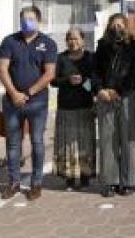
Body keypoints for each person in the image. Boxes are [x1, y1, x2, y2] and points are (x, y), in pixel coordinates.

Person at [0, 6, 57, 201]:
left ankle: (36, 183)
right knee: (13, 144)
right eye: (23, 18)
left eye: (31, 19)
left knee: (37, 142)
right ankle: (14, 182)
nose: (27, 22)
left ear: (39, 21)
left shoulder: (48, 43)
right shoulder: (10, 41)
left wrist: (28, 93)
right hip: (12, 101)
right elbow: (2, 69)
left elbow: (49, 73)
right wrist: (14, 93)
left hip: (37, 102)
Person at [93, 13, 135, 198]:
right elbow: (95, 71)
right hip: (105, 97)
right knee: (107, 140)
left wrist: (118, 90)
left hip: (128, 95)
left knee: (128, 139)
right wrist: (99, 89)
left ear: (126, 26)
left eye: (121, 25)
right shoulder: (102, 46)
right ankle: (109, 181)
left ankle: (128, 181)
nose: (117, 28)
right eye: (114, 25)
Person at [52, 27, 96, 191]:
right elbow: (53, 81)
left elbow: (95, 81)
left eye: (76, 38)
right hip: (66, 107)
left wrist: (83, 80)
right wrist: (67, 80)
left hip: (85, 106)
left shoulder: (91, 58)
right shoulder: (60, 58)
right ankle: (69, 178)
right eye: (70, 38)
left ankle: (85, 177)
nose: (73, 42)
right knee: (67, 144)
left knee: (85, 143)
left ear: (83, 40)